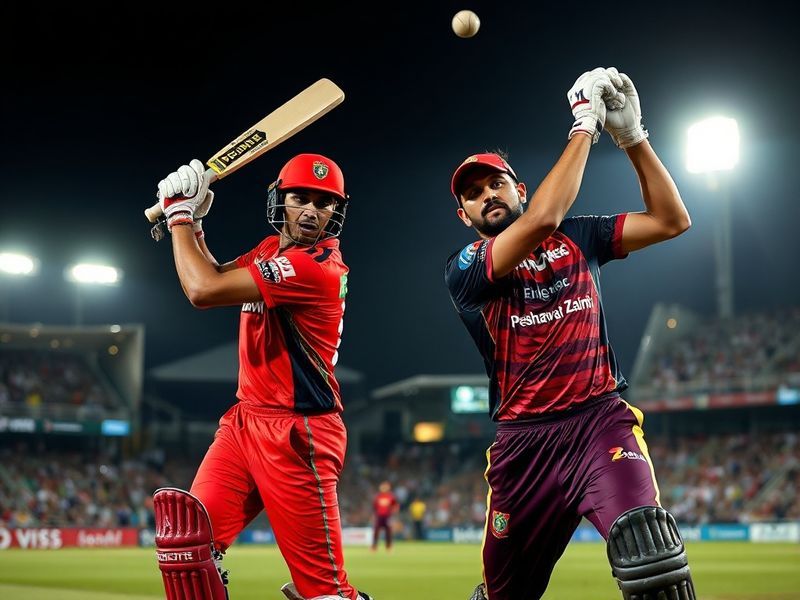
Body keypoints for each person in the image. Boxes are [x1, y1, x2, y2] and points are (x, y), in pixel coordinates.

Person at [444, 68, 697, 600]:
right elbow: (539, 220)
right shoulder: (467, 267)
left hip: (599, 425)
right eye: (473, 193)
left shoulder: (580, 237)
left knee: (651, 553)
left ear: (519, 188)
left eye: (496, 183)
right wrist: (585, 124)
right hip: (523, 447)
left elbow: (672, 219)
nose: (487, 194)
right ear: (464, 216)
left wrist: (634, 139)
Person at [150, 153, 372, 600]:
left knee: (324, 593)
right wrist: (192, 225)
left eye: (324, 203)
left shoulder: (317, 268)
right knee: (188, 545)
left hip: (298, 432)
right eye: (300, 198)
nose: (311, 210)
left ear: (337, 213)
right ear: (280, 199)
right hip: (245, 421)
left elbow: (202, 290)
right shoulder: (270, 251)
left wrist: (176, 212)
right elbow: (212, 274)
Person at [371, 481, 399, 551]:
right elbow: (374, 507)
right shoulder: (378, 496)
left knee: (388, 531)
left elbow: (395, 505)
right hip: (379, 516)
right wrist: (374, 515)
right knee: (376, 531)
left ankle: (388, 546)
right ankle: (374, 546)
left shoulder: (391, 496)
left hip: (387, 517)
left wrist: (393, 512)